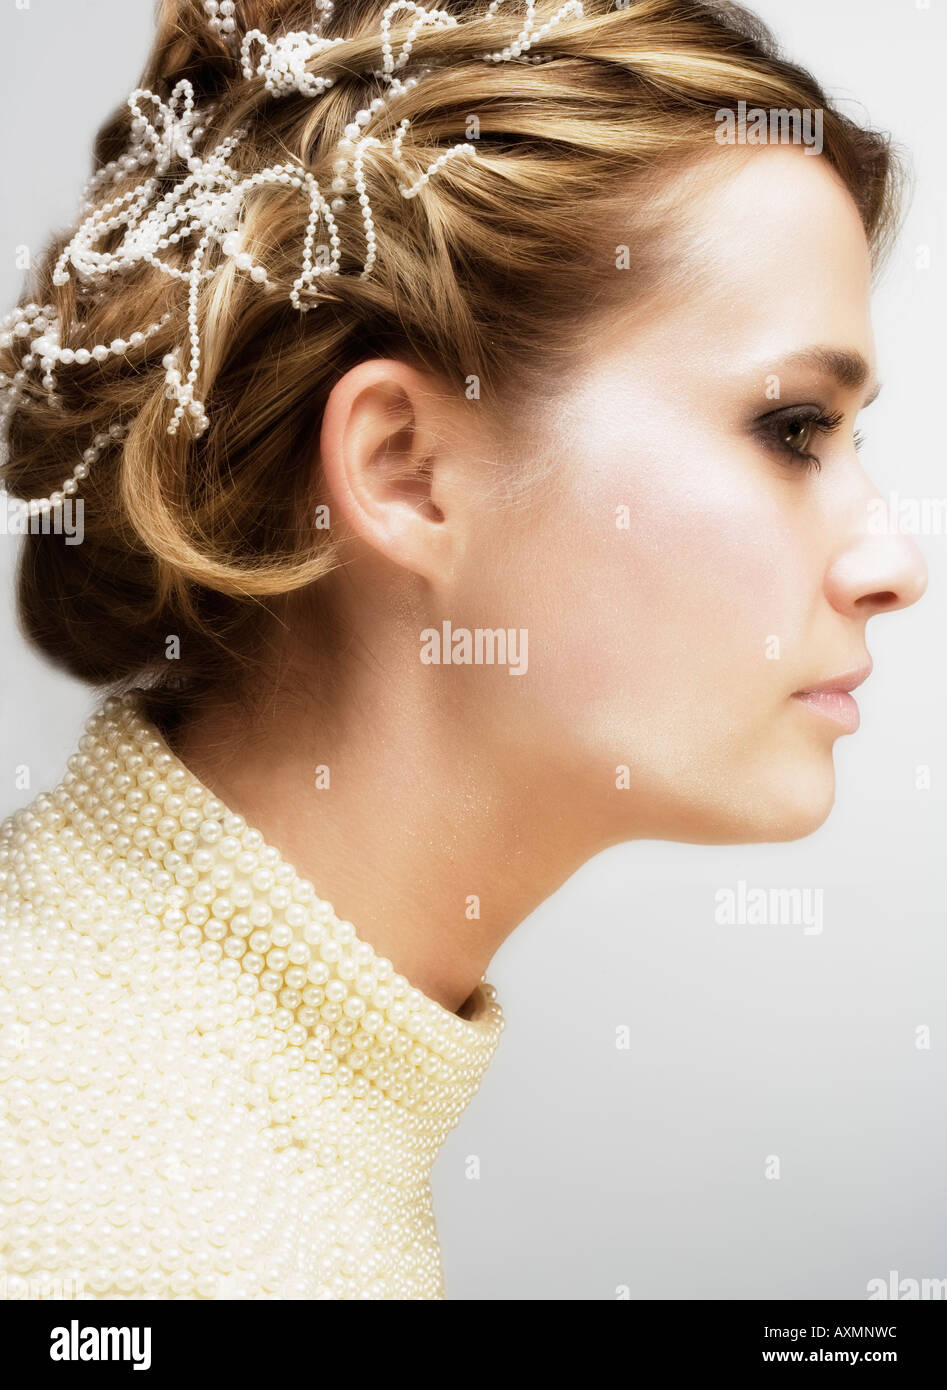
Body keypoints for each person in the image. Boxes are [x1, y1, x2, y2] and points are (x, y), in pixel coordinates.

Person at [0, 0, 927, 1299]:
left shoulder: (166, 1079)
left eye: (850, 437)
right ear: (407, 470)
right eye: (789, 426)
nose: (893, 566)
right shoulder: (158, 1245)